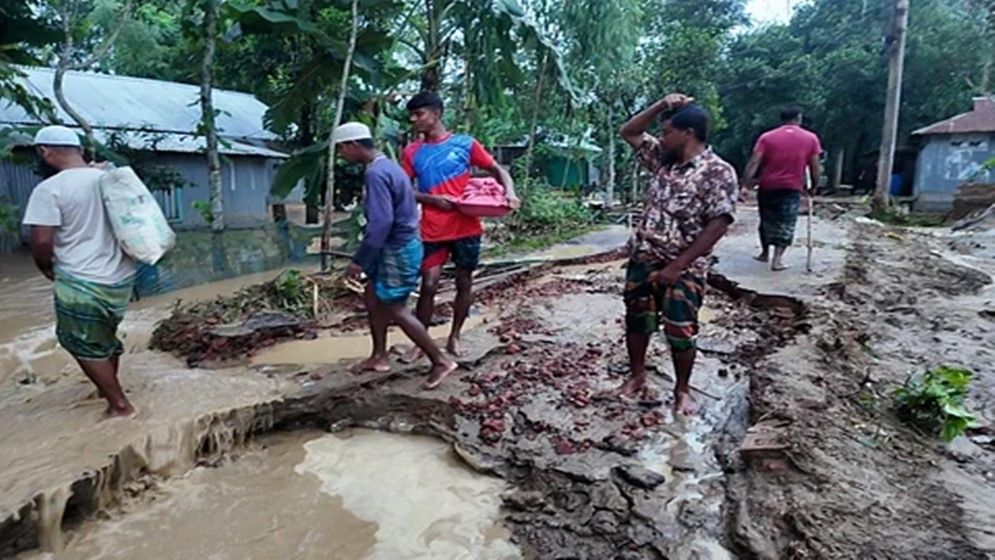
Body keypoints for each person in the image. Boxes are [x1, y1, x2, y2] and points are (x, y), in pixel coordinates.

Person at [616, 94, 738, 416]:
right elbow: (628, 132)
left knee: (681, 330)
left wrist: (677, 265)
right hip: (643, 257)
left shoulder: (718, 172)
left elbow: (719, 223)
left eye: (668, 131)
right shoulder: (661, 159)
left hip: (684, 267)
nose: (662, 137)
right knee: (638, 321)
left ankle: (682, 389)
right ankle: (637, 376)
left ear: (689, 133)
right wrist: (660, 106)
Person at [22, 125, 138, 418]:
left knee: (78, 341)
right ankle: (106, 388)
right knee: (105, 335)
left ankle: (119, 405)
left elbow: (42, 240)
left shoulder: (49, 189)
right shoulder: (108, 179)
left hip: (80, 277)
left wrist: (46, 267)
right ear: (81, 151)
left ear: (45, 152)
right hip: (121, 278)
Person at [335, 122, 458, 389]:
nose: (340, 155)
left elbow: (381, 222)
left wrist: (360, 261)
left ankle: (440, 360)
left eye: (341, 149)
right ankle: (379, 356)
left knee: (396, 307)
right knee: (372, 295)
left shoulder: (376, 174)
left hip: (397, 248)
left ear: (353, 145)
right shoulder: (388, 166)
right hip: (395, 245)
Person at [400, 91, 518, 368]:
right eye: (412, 115)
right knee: (428, 286)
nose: (414, 120)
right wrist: (430, 200)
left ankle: (455, 336)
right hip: (431, 228)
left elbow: (497, 170)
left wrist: (509, 191)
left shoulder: (465, 144)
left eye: (419, 114)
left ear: (437, 114)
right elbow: (404, 188)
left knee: (464, 282)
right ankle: (422, 342)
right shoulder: (411, 151)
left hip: (466, 227)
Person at [740, 104, 822, 271]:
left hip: (767, 185)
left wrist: (745, 184)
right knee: (786, 222)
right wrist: (814, 186)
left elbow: (754, 161)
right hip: (791, 187)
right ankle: (777, 260)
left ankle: (764, 253)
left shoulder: (767, 137)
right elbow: (815, 165)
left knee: (766, 219)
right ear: (798, 118)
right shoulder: (810, 138)